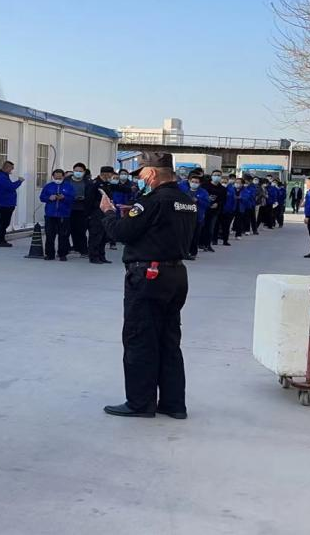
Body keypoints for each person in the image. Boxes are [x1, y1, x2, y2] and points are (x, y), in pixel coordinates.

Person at [99, 152, 195, 419]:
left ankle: (140, 403)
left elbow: (122, 233)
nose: (139, 179)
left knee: (140, 338)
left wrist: (108, 213)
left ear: (151, 173)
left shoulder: (151, 201)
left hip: (149, 276)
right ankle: (173, 404)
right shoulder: (187, 201)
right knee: (169, 340)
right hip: (176, 274)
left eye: (141, 174)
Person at [39, 168, 74, 261]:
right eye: (56, 177)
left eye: (60, 177)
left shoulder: (68, 186)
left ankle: (62, 254)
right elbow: (42, 197)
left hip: (64, 214)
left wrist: (64, 198)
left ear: (63, 177)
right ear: (53, 177)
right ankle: (49, 254)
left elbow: (72, 199)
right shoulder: (48, 186)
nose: (58, 179)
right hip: (50, 214)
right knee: (50, 235)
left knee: (63, 235)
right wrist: (49, 198)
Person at [87, 166, 115, 264]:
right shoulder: (94, 184)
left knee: (104, 235)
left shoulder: (107, 184)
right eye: (111, 174)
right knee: (96, 235)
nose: (111, 176)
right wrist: (89, 214)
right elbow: (89, 200)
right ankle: (94, 256)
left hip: (105, 212)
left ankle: (101, 255)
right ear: (105, 173)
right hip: (96, 213)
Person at [0, 161, 24, 247]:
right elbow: (10, 187)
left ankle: (2, 240)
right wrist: (19, 181)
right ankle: (1, 241)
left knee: (5, 222)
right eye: (11, 168)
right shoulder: (1, 177)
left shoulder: (4, 176)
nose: (12, 170)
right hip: (4, 203)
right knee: (4, 222)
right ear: (6, 167)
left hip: (7, 203)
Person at [200, 169, 227, 253]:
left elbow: (223, 200)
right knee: (201, 228)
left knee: (210, 228)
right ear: (211, 176)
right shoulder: (204, 185)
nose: (217, 177)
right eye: (215, 175)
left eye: (219, 175)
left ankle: (208, 245)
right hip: (203, 210)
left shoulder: (222, 189)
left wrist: (217, 204)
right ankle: (200, 243)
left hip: (214, 211)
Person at [68, 162, 91, 257]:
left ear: (84, 172)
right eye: (76, 171)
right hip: (68, 208)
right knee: (67, 230)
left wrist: (85, 198)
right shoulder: (67, 181)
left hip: (82, 209)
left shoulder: (88, 182)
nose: (78, 173)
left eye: (80, 171)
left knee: (81, 230)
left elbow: (91, 195)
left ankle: (83, 250)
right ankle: (67, 248)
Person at [185, 173, 208, 260]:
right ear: (189, 181)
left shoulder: (203, 192)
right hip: (187, 217)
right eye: (192, 181)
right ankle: (185, 252)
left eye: (196, 182)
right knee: (187, 236)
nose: (194, 183)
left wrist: (198, 200)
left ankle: (193, 252)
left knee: (195, 236)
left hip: (198, 217)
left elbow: (207, 204)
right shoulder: (185, 192)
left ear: (199, 183)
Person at [218, 177, 237, 246]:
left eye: (225, 182)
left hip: (228, 211)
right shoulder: (218, 189)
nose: (224, 183)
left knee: (226, 227)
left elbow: (234, 200)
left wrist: (232, 210)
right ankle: (214, 240)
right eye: (222, 182)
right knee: (216, 226)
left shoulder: (231, 190)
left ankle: (225, 240)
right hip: (218, 211)